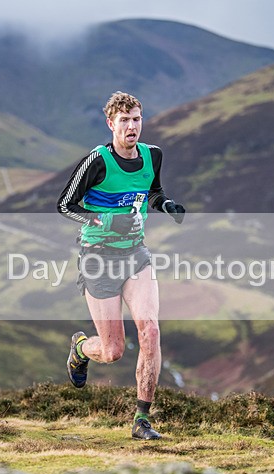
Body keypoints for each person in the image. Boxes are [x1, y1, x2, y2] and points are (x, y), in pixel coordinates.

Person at [57, 92, 186, 440]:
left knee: (151, 331)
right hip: (98, 258)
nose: (132, 126)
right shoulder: (97, 161)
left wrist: (166, 205)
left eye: (137, 119)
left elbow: (152, 192)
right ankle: (81, 348)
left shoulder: (152, 156)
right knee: (113, 351)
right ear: (111, 124)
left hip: (135, 255)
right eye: (125, 120)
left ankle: (141, 420)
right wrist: (105, 220)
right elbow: (65, 205)